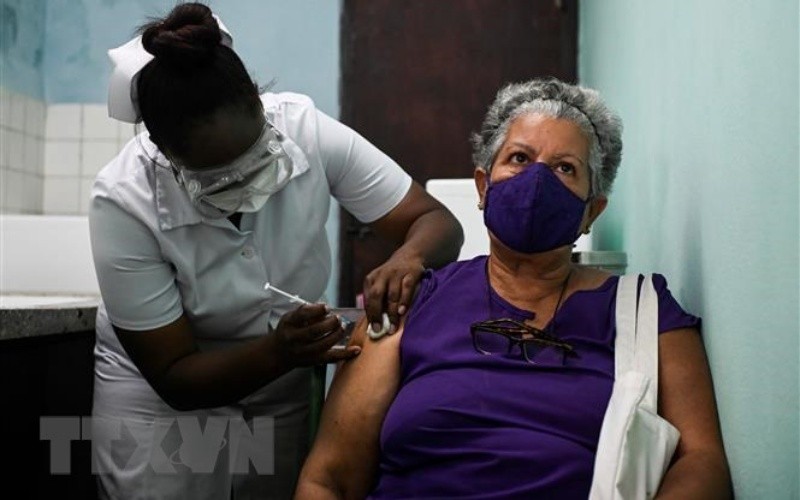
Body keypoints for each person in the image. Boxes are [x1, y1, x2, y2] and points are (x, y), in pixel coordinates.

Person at [88, 3, 463, 499]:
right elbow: (174, 376)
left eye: (255, 155)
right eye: (219, 175)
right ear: (161, 149)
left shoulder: (304, 127)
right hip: (162, 403)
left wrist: (407, 258)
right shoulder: (122, 200)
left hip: (278, 381)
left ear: (258, 102)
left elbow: (434, 221)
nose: (245, 181)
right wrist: (279, 351)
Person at [295, 78, 733, 499]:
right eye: (520, 159)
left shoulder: (645, 313)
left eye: (566, 168)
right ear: (483, 186)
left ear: (591, 212)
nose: (538, 181)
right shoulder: (409, 303)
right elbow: (328, 480)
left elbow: (703, 463)